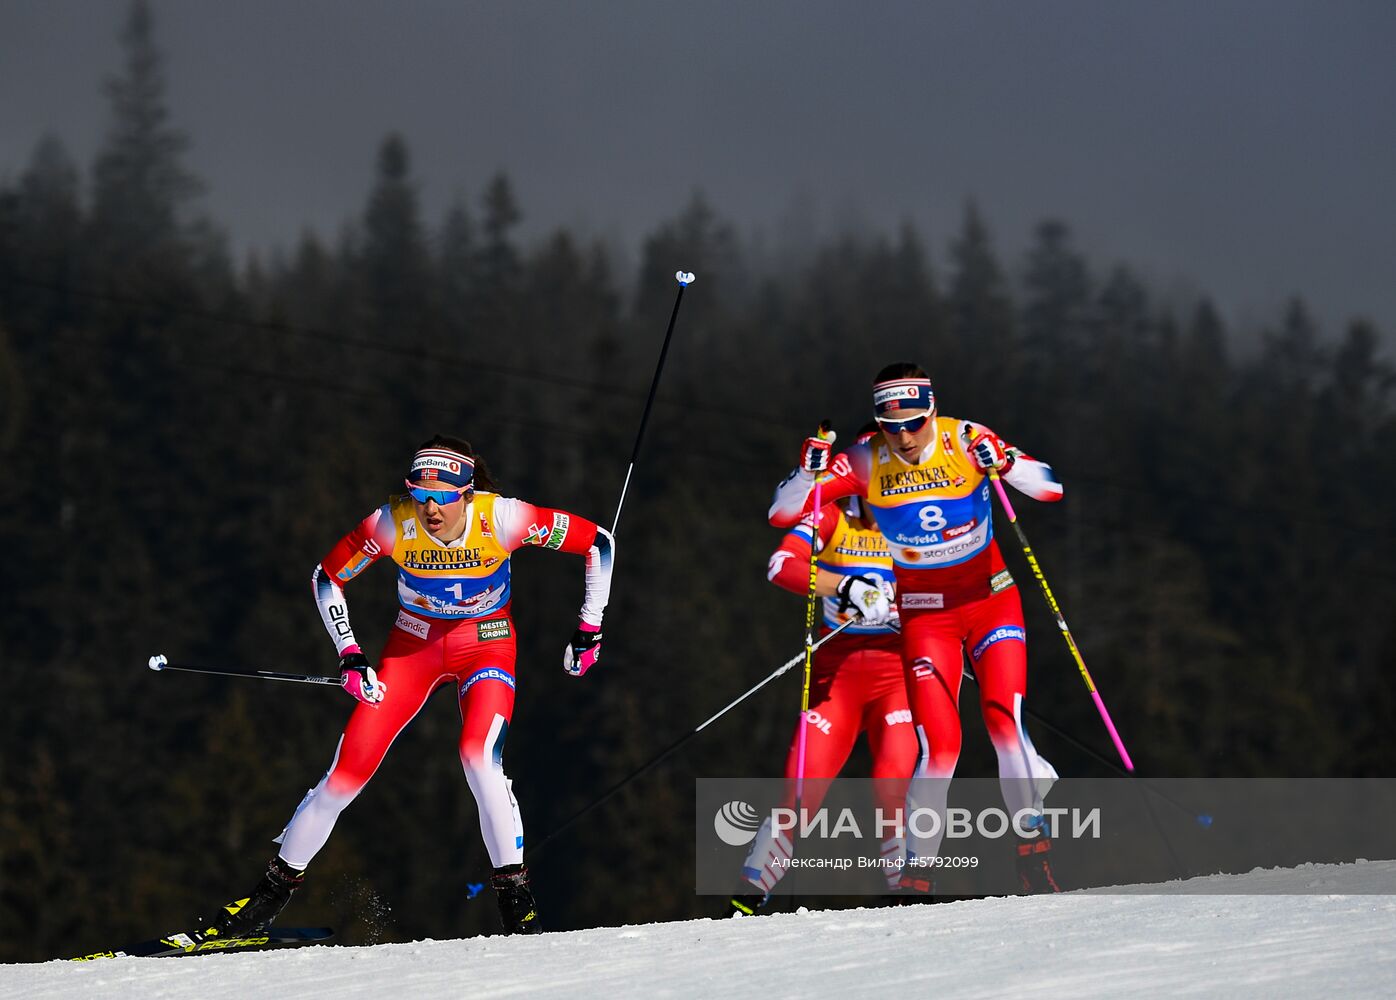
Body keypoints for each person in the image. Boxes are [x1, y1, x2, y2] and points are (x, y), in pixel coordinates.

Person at [197, 435, 615, 938]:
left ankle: (517, 906)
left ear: (467, 492)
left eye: (442, 497)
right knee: (345, 773)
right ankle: (263, 903)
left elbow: (599, 543)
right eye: (420, 496)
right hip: (412, 648)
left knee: (478, 758)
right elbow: (327, 577)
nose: (431, 508)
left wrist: (589, 626)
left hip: (485, 643)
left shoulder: (504, 518)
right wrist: (350, 654)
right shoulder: (392, 523)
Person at [768, 364, 1064, 894]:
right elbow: (781, 515)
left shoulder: (963, 437)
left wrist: (1008, 462)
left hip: (991, 602)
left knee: (1004, 722)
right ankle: (916, 877)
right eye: (891, 424)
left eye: (914, 422)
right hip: (927, 615)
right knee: (940, 746)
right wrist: (807, 475)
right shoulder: (865, 460)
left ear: (932, 409)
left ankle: (1032, 857)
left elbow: (1050, 490)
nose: (904, 436)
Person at [732, 427, 915, 914]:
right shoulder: (832, 515)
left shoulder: (921, 518)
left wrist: (916, 609)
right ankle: (753, 891)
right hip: (838, 672)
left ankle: (909, 889)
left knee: (892, 778)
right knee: (801, 785)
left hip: (901, 672)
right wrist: (846, 585)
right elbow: (781, 566)